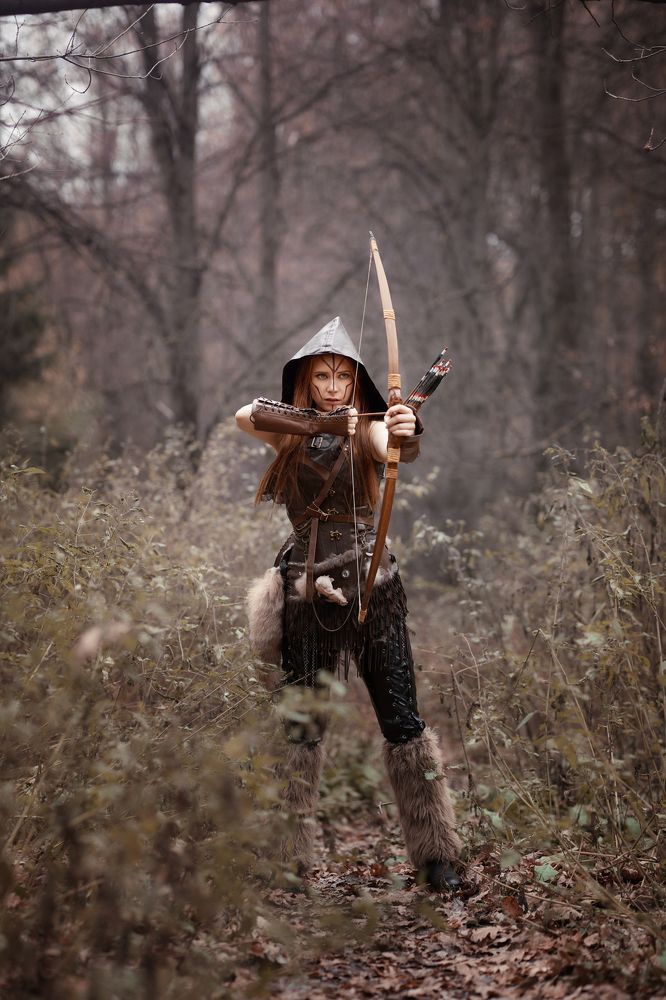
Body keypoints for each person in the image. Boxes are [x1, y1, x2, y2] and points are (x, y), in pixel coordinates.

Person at [235, 317, 461, 890]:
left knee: (402, 720)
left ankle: (436, 855)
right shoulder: (289, 433)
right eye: (321, 377)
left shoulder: (368, 430)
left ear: (356, 381)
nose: (333, 387)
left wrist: (402, 423)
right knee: (300, 725)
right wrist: (315, 422)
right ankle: (288, 859)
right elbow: (244, 415)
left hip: (371, 589)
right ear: (305, 382)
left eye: (342, 376)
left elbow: (395, 445)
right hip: (304, 591)